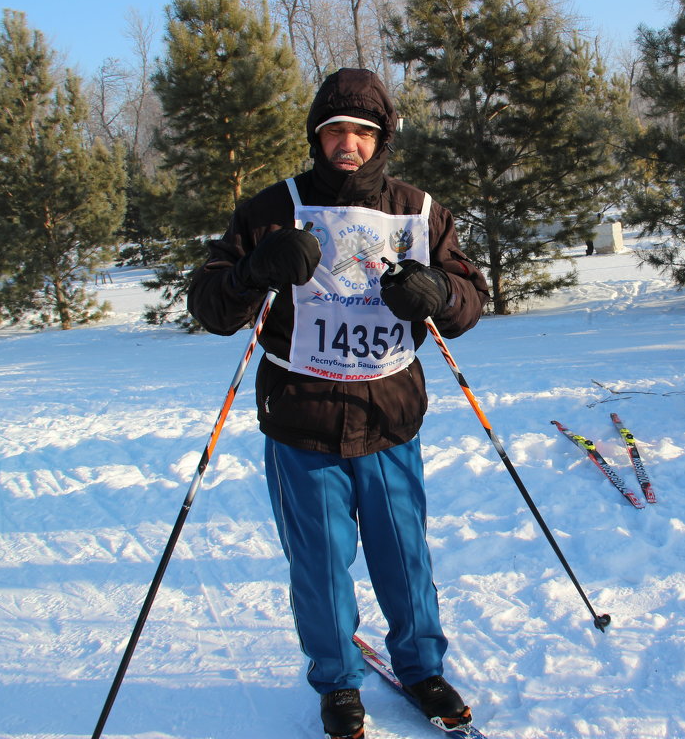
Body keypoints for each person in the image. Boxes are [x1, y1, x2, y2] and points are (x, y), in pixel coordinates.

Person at [188, 68, 490, 739]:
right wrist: (253, 270)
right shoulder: (274, 208)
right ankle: (336, 681)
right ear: (316, 137)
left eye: (362, 131)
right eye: (334, 131)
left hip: (389, 417)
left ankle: (420, 667)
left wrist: (438, 293)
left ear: (380, 139)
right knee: (320, 564)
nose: (347, 143)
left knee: (404, 557)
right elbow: (208, 305)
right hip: (303, 419)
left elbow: (471, 299)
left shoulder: (419, 211)